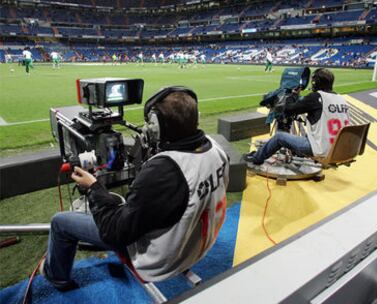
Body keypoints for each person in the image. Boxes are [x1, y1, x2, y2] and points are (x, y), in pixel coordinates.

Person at [40, 87, 229, 290]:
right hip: (197, 244)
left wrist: (93, 187)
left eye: (149, 123)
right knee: (120, 202)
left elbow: (114, 232)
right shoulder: (215, 148)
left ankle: (56, 275)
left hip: (160, 261)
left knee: (60, 222)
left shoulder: (163, 171)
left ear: (156, 126)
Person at [244, 68, 350, 165]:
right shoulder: (342, 99)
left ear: (315, 83)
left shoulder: (316, 97)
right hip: (339, 149)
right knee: (308, 135)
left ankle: (257, 158)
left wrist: (294, 95)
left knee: (279, 137)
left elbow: (289, 110)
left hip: (321, 149)